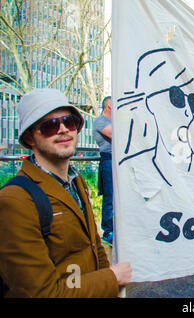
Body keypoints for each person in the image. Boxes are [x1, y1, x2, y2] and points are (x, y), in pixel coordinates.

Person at [0, 88, 131, 297]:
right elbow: (42, 293)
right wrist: (112, 278)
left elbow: (94, 245)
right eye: (49, 126)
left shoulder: (75, 180)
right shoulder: (14, 201)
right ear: (30, 138)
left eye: (69, 122)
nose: (63, 129)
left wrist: (107, 279)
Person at [93, 96, 114, 246]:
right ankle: (108, 231)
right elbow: (116, 135)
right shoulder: (101, 121)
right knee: (110, 196)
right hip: (108, 160)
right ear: (109, 106)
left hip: (116, 161)